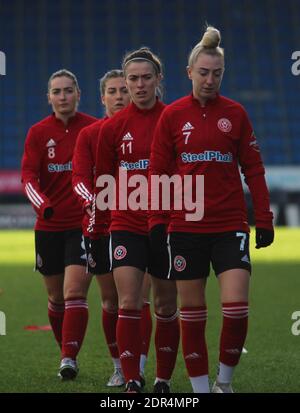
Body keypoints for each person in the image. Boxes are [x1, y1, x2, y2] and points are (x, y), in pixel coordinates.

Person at [148, 26, 274, 393]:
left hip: (229, 223)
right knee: (193, 313)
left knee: (236, 307)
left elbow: (254, 169)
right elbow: (158, 171)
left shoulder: (235, 113)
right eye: (203, 72)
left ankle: (224, 382)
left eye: (217, 73)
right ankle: (201, 389)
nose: (210, 79)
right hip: (185, 228)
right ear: (189, 72)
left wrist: (263, 218)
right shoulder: (171, 116)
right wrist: (158, 218)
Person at [93, 48, 179, 393]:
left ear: (158, 79)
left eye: (146, 78)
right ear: (125, 83)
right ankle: (131, 378)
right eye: (132, 79)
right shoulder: (113, 128)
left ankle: (163, 379)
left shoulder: (174, 119)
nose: (139, 85)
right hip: (126, 224)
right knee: (129, 301)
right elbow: (104, 179)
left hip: (168, 225)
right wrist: (100, 228)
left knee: (165, 304)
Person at [72, 69, 152, 387]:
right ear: (102, 97)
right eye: (113, 91)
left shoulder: (150, 127)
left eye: (124, 89)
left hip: (140, 225)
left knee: (138, 299)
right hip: (100, 227)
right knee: (110, 301)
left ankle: (139, 366)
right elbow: (78, 178)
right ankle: (119, 364)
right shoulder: (91, 135)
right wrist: (94, 202)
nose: (120, 96)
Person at [21, 69, 97, 380]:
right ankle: (66, 352)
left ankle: (68, 357)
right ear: (49, 97)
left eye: (68, 90)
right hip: (49, 227)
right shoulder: (38, 133)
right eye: (57, 91)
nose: (63, 96)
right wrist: (44, 206)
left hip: (83, 225)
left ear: (79, 94)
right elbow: (28, 178)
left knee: (74, 291)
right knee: (55, 298)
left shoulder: (94, 128)